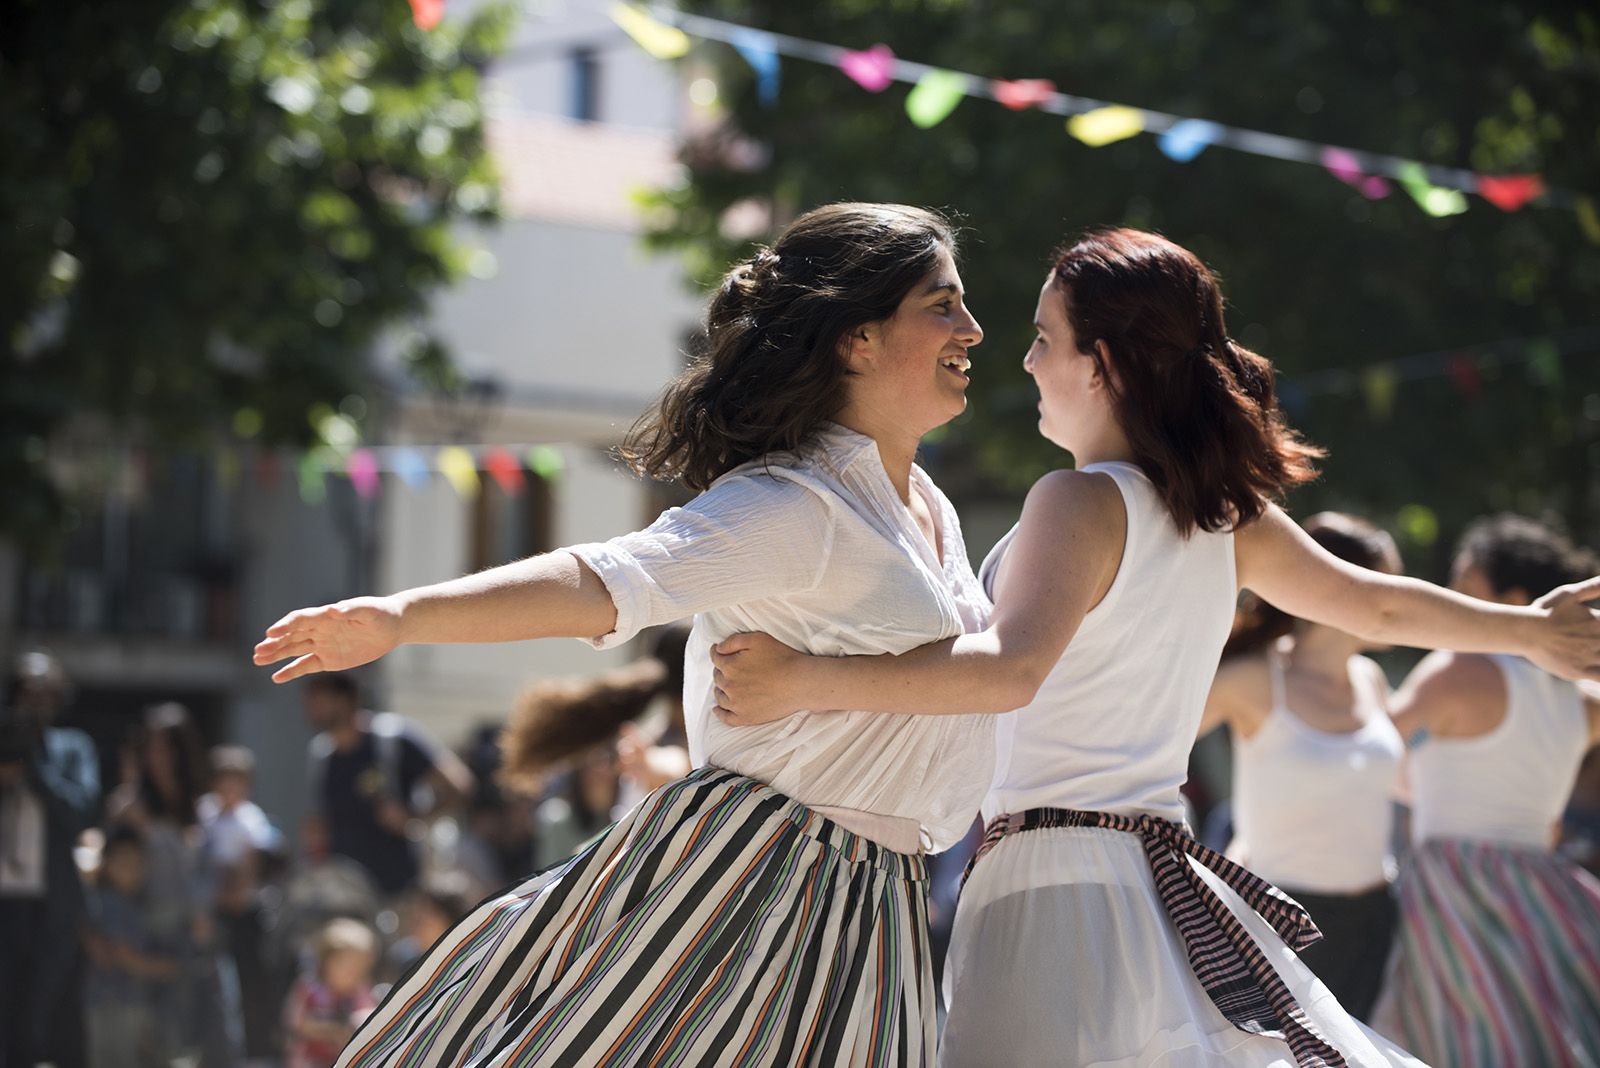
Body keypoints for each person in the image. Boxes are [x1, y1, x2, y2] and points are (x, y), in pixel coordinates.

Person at [711, 228, 1600, 1066]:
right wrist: (1532, 634)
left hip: (1053, 878)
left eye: (1044, 338)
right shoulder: (1222, 515)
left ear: (1102, 365)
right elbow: (1375, 608)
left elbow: (1009, 672)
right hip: (1156, 882)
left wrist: (802, 681)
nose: (1023, 360)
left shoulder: (1080, 500)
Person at [254, 202, 993, 1065]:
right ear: (857, 340)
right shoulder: (800, 503)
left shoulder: (927, 509)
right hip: (759, 881)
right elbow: (608, 579)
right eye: (941, 304)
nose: (972, 329)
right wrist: (404, 616)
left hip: (879, 898)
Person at [1371, 514, 1600, 1065]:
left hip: (1454, 887)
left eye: (1465, 586)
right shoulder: (1586, 702)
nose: (1449, 600)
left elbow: (1373, 756)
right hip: (1544, 890)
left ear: (1517, 598)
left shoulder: (1460, 669)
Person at [1197, 512, 1406, 1021]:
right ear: (1338, 586)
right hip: (1281, 923)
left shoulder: (1371, 679)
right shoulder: (1252, 678)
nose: (1401, 597)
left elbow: (1401, 786)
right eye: (1387, 582)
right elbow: (1146, 747)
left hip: (1374, 917)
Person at [0, 649, 99, 1068]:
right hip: (5, 901)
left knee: (41, 1012)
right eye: (27, 692)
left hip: (52, 903)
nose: (35, 702)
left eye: (45, 692)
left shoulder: (71, 749)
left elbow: (79, 814)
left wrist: (34, 766)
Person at [302, 672, 474, 898]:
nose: (310, 710)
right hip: (346, 895)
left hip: (401, 893)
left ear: (344, 700)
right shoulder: (322, 754)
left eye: (318, 701)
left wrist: (414, 820)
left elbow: (460, 785)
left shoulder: (393, 740)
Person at [83, 826, 177, 1068]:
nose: (131, 870)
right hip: (111, 1004)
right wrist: (167, 969)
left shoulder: (134, 905)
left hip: (123, 1002)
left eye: (137, 864)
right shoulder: (109, 903)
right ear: (107, 864)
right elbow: (123, 957)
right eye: (123, 862)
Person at [284, 918, 379, 1068]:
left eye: (360, 968)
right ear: (327, 961)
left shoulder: (359, 992)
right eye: (347, 966)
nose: (353, 974)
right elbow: (298, 1023)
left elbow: (368, 1015)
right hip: (309, 1061)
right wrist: (333, 1032)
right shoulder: (310, 989)